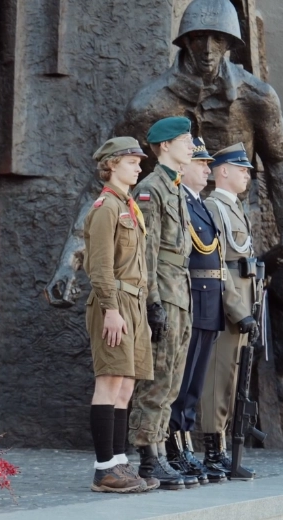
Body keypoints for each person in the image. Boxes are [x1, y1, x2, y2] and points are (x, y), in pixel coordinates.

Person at [114, 0, 283, 234]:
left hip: (231, 227)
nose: (208, 49)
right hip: (165, 229)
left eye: (218, 39)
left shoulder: (257, 98)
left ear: (229, 42)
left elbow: (278, 167)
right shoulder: (149, 105)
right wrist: (76, 252)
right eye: (199, 37)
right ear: (186, 40)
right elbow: (110, 177)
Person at [166, 137, 244, 484]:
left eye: (207, 164)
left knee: (195, 383)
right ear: (183, 167)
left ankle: (186, 447)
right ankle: (175, 448)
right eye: (200, 163)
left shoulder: (200, 205)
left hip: (210, 300)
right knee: (182, 380)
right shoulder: (181, 201)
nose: (206, 169)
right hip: (191, 299)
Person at [128, 117, 199, 490]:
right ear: (165, 145)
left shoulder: (174, 188)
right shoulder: (151, 188)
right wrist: (152, 303)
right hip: (164, 295)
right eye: (186, 140)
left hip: (180, 294)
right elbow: (148, 253)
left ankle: (158, 449)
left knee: (171, 380)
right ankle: (148, 457)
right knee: (155, 379)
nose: (192, 146)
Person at [83, 137, 157, 493]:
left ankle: (118, 462)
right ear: (111, 164)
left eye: (139, 161)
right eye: (131, 161)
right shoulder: (106, 208)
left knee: (126, 385)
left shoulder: (128, 206)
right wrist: (110, 309)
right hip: (114, 303)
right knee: (110, 381)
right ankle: (104, 470)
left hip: (134, 303)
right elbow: (99, 266)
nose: (139, 167)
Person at [201, 143, 259, 478]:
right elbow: (218, 263)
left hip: (244, 300)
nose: (247, 175)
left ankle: (223, 450)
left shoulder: (235, 207)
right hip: (227, 304)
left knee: (234, 378)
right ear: (223, 171)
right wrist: (238, 309)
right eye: (241, 169)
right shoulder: (214, 207)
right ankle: (213, 452)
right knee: (218, 378)